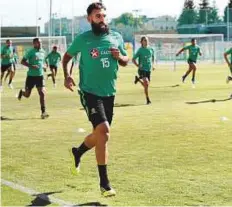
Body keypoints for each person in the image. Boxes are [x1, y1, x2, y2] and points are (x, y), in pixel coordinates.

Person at [62, 2, 129, 197]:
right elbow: (66, 57)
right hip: (90, 92)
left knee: (100, 135)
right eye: (98, 16)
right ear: (89, 19)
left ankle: (78, 151)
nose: (102, 19)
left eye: (103, 16)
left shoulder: (116, 37)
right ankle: (104, 184)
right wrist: (67, 75)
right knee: (104, 131)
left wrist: (120, 58)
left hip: (109, 92)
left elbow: (126, 61)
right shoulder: (83, 39)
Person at [18, 38, 49, 119]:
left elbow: (43, 62)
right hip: (31, 76)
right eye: (38, 43)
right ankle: (22, 92)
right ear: (34, 44)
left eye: (40, 42)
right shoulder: (30, 52)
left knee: (42, 93)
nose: (40, 44)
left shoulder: (43, 51)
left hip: (40, 76)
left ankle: (43, 112)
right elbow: (22, 61)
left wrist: (45, 66)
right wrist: (31, 66)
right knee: (27, 95)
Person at [132, 36, 155, 104]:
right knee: (146, 83)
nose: (146, 41)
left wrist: (153, 65)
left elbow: (153, 57)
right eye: (145, 40)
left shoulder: (151, 49)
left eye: (147, 40)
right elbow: (133, 59)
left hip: (148, 69)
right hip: (142, 69)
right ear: (141, 42)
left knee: (146, 85)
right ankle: (148, 99)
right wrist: (138, 65)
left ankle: (138, 79)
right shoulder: (140, 50)